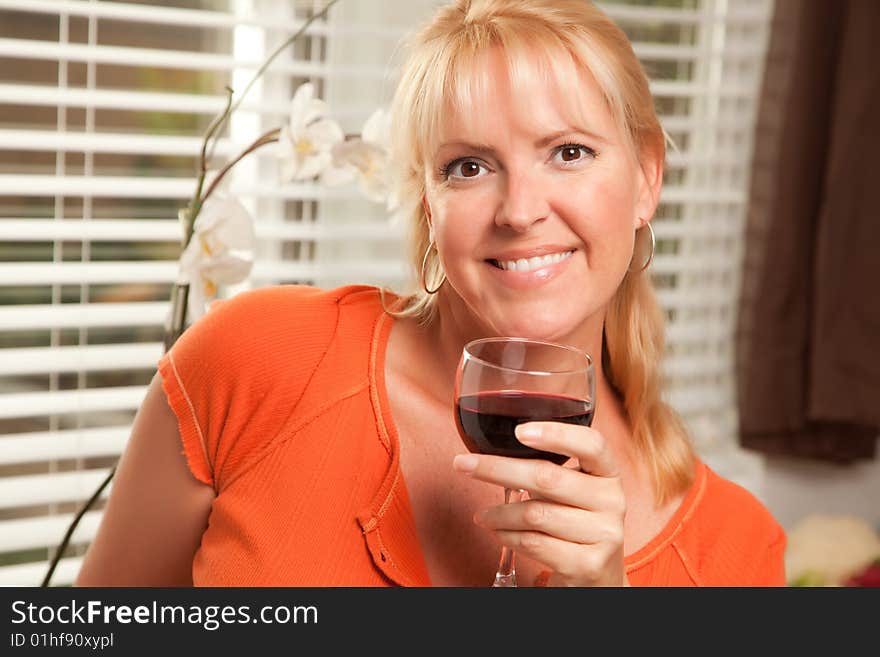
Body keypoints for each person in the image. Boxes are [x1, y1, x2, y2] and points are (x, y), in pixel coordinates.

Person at [75, 0, 785, 587]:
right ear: (427, 204)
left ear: (646, 180)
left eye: (569, 152)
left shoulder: (738, 553)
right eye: (470, 165)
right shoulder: (258, 360)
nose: (520, 210)